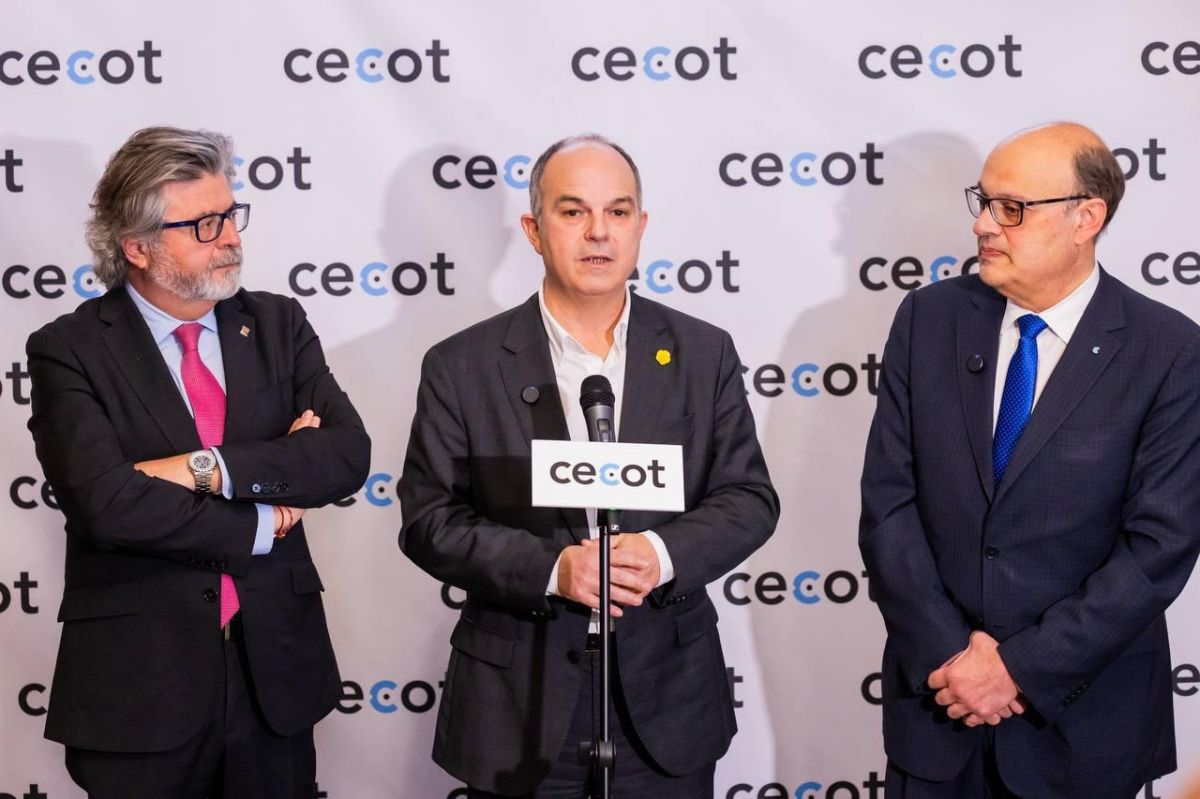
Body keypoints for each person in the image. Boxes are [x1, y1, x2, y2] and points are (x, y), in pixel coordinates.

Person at [400, 133, 778, 797]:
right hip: (519, 701)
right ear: (534, 230)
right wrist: (554, 568)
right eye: (573, 211)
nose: (599, 232)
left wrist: (660, 553)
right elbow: (430, 520)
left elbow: (748, 497)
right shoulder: (462, 365)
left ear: (641, 226)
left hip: (665, 697)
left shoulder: (703, 352)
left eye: (618, 211)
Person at [26, 126, 370, 798]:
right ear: (137, 246)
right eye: (205, 225)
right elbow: (108, 504)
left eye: (231, 215)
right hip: (140, 686)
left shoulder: (278, 324)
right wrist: (261, 518)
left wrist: (201, 468)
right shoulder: (68, 349)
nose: (231, 238)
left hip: (274, 675)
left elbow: (344, 455)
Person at [860, 122, 1200, 797]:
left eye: (1011, 208)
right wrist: (955, 658)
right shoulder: (928, 319)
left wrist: (1018, 669)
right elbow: (888, 505)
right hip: (939, 707)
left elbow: (1158, 548)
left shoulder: (1169, 349)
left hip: (1083, 729)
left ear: (1086, 219)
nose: (984, 224)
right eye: (983, 201)